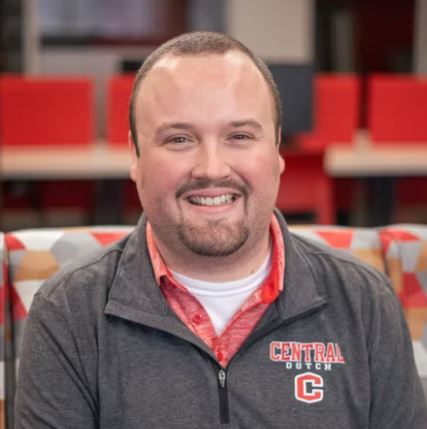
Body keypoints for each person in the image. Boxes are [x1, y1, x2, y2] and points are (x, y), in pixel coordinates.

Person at [15, 31, 426, 428]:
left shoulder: (365, 302)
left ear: (277, 150)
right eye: (178, 139)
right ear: (136, 157)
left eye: (240, 136)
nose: (211, 168)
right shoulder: (67, 313)